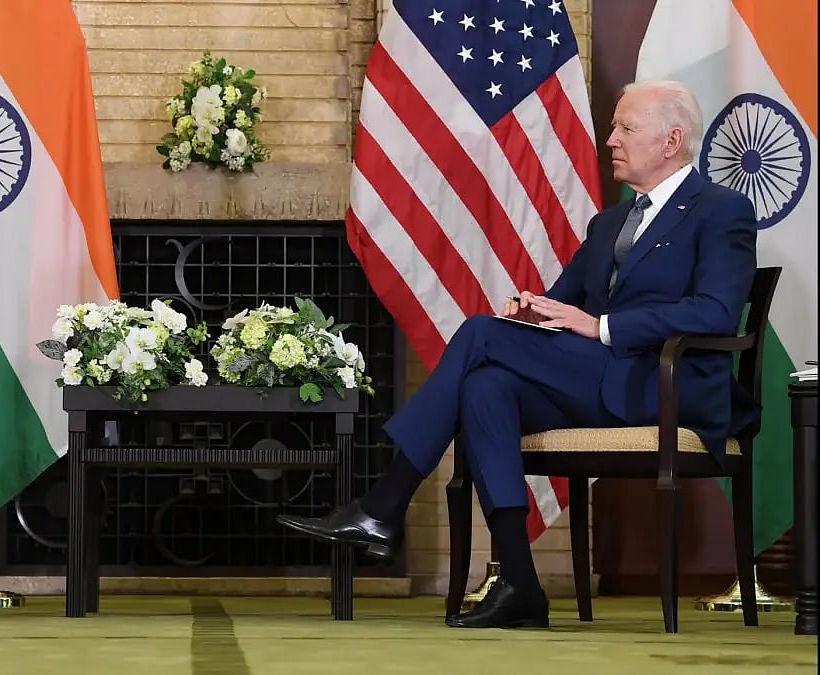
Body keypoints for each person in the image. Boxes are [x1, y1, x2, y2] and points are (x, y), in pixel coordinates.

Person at [278, 80, 758, 629]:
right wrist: (532, 312)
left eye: (626, 128)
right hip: (604, 380)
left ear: (671, 141)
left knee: (481, 336)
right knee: (486, 387)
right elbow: (562, 302)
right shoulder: (610, 223)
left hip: (668, 386)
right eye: (613, 128)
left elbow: (716, 312)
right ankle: (520, 585)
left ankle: (385, 503)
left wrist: (601, 326)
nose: (611, 140)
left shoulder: (722, 210)